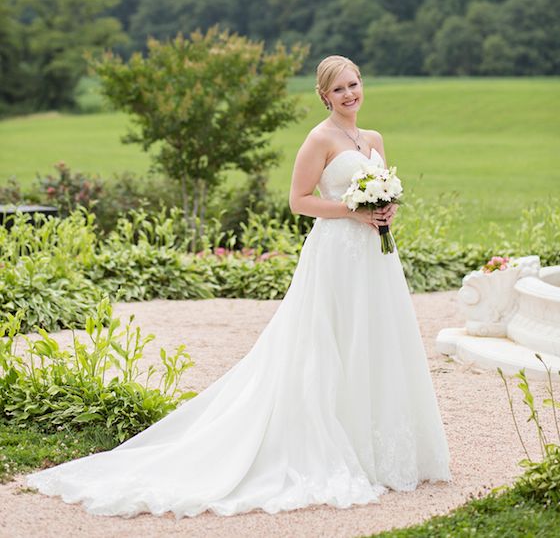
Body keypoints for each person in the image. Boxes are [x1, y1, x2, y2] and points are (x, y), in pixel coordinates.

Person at [26, 55, 450, 518]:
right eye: (340, 88)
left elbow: (381, 191)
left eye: (355, 84)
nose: (350, 94)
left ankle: (379, 451)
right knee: (328, 344)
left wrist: (385, 212)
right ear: (325, 95)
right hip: (335, 256)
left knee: (376, 342)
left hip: (374, 258)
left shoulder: (373, 139)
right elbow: (299, 201)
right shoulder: (319, 139)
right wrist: (354, 212)